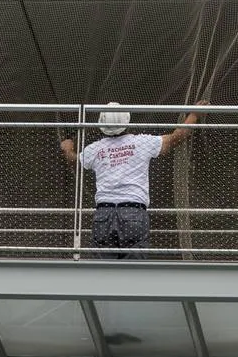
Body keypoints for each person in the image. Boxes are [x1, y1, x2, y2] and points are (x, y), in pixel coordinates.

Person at [60, 100, 208, 259]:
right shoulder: (141, 142)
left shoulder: (95, 149)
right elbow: (176, 138)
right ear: (127, 120)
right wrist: (194, 115)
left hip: (104, 213)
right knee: (134, 269)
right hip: (133, 212)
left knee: (102, 270)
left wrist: (68, 147)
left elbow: (74, 161)